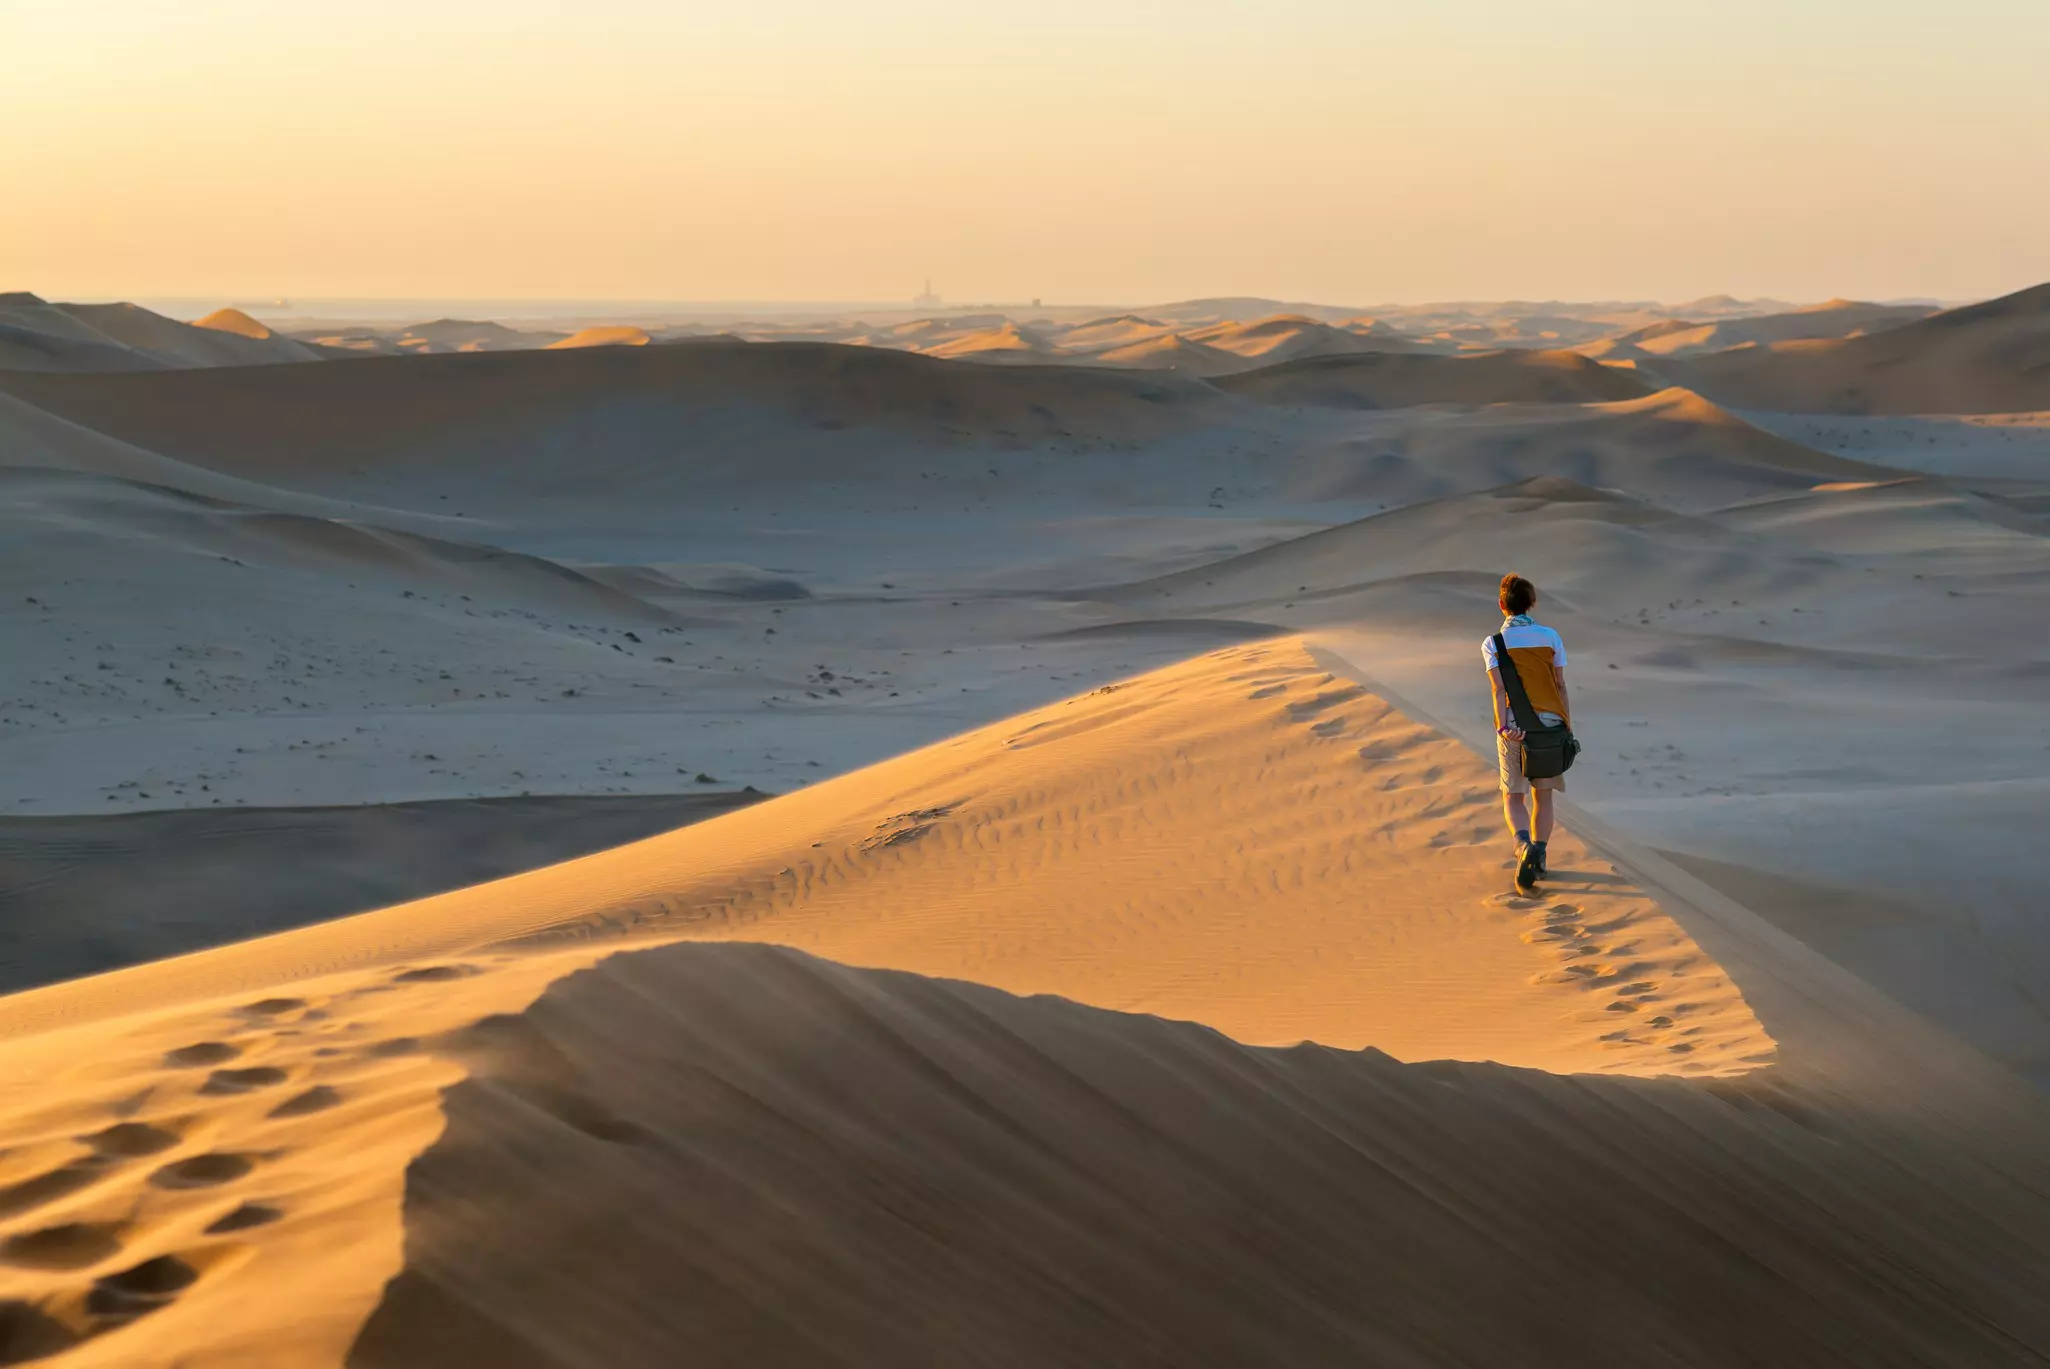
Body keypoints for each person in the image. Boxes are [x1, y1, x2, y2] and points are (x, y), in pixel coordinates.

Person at [1483, 573, 1571, 891]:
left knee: (1513, 796)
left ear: (1501, 604)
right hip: (1550, 726)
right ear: (1531, 603)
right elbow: (1560, 684)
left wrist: (1504, 727)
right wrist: (1566, 726)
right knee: (1543, 796)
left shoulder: (1493, 643)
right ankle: (1541, 856)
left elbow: (1498, 690)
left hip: (1514, 727)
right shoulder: (1550, 637)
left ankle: (1523, 848)